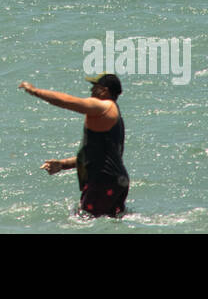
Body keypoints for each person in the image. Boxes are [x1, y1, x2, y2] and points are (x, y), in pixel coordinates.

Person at [19, 73, 129, 217]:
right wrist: (63, 164)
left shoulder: (104, 106)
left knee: (85, 221)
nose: (91, 92)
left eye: (94, 88)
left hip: (102, 182)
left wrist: (35, 91)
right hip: (118, 181)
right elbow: (98, 156)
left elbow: (67, 101)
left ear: (105, 91)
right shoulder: (115, 118)